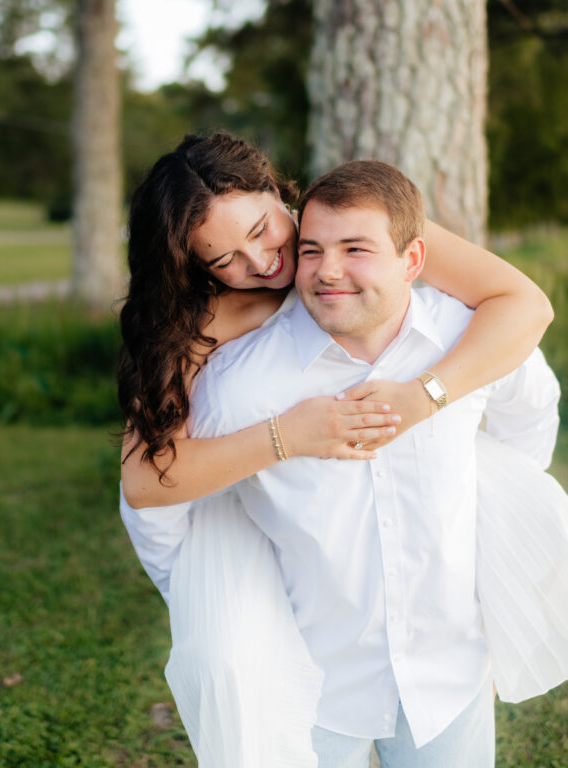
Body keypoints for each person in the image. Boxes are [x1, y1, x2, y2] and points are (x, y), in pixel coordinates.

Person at [118, 134, 559, 766]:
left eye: (263, 229)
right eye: (225, 258)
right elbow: (146, 484)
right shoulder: (201, 330)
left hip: (444, 664)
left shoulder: (357, 226)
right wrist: (287, 437)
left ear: (278, 190)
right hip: (318, 664)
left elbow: (523, 305)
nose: (261, 261)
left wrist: (423, 398)